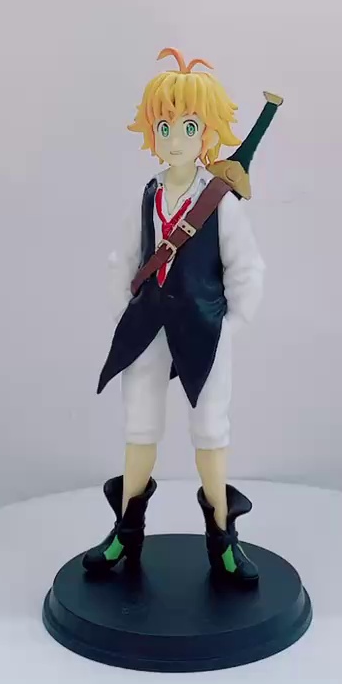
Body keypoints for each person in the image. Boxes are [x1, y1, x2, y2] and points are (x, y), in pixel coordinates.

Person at [83, 48, 268, 585]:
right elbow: (122, 261)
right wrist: (129, 314)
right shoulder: (148, 196)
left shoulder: (220, 202)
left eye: (189, 126)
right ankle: (126, 530)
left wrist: (227, 328)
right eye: (165, 126)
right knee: (139, 425)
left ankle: (222, 537)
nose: (176, 139)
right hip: (147, 327)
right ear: (152, 131)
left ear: (206, 132)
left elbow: (247, 269)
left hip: (203, 330)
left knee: (210, 428)